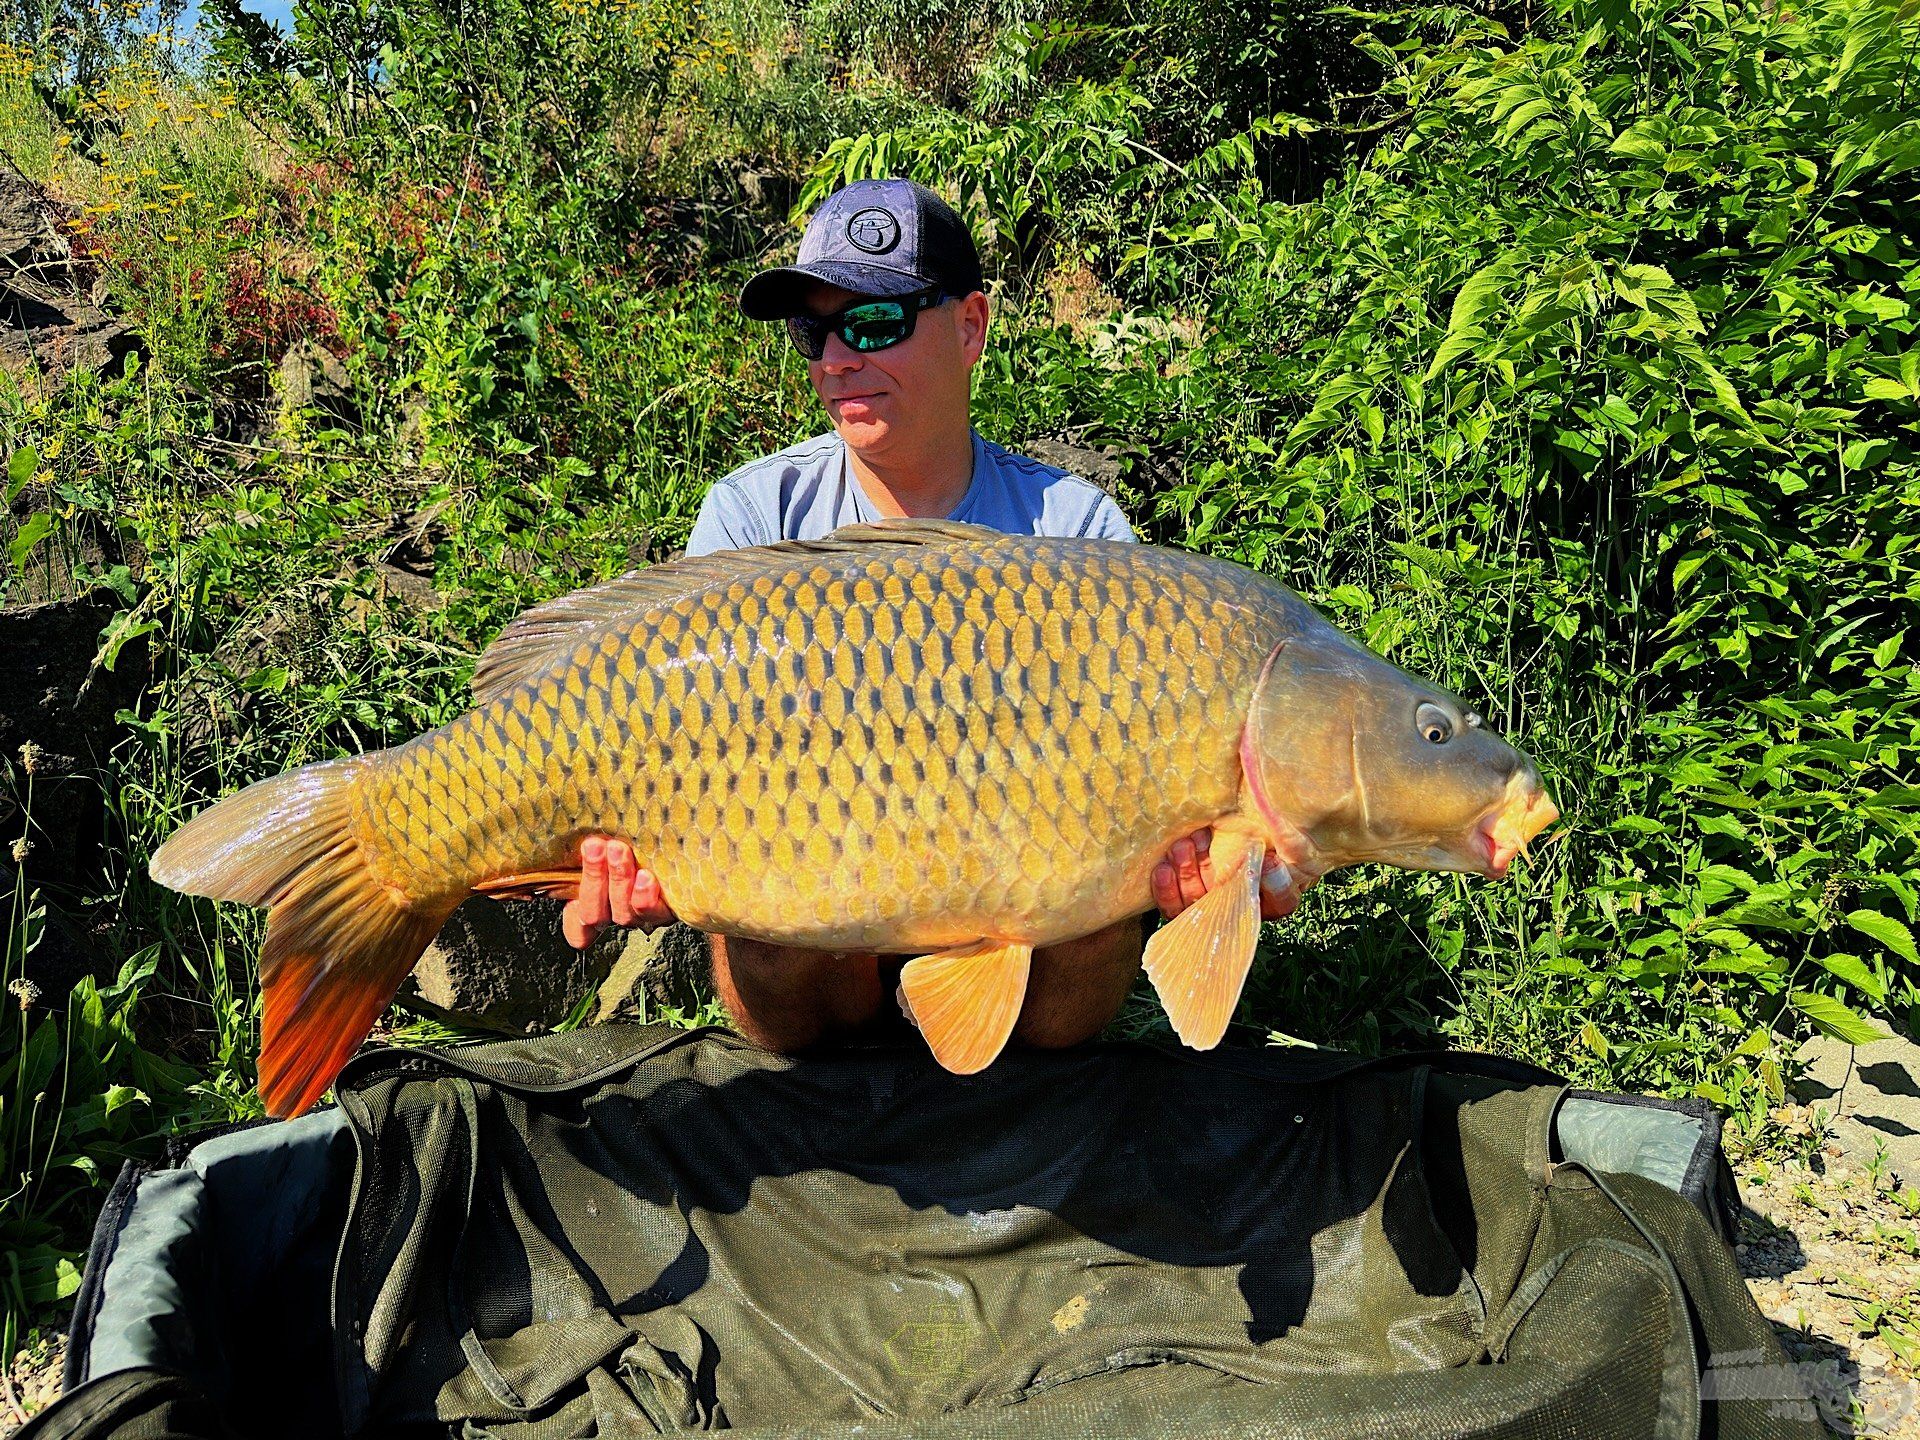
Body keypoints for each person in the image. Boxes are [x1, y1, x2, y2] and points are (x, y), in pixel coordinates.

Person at [560, 178, 1300, 1052]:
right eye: (814, 331)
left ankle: (1012, 1115)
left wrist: (1231, 865)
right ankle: (853, 1114)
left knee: (1106, 895)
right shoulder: (753, 516)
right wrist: (635, 861)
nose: (837, 358)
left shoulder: (1076, 531)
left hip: (1031, 951)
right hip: (820, 941)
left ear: (970, 327)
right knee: (763, 927)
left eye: (874, 323)